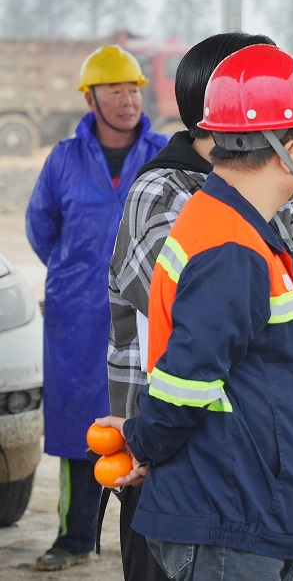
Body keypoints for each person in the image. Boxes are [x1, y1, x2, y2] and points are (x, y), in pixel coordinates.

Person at [96, 44, 293, 581]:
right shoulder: (230, 244)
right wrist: (144, 439)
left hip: (245, 506)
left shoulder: (230, 223)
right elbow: (187, 376)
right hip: (229, 515)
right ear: (289, 149)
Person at [25, 45, 168, 571]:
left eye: (133, 89)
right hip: (78, 317)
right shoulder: (64, 158)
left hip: (146, 311)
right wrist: (70, 276)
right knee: (77, 426)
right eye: (115, 90)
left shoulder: (162, 152)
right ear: (91, 99)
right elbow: (40, 226)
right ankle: (74, 537)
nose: (128, 100)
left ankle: (152, 540)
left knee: (147, 417)